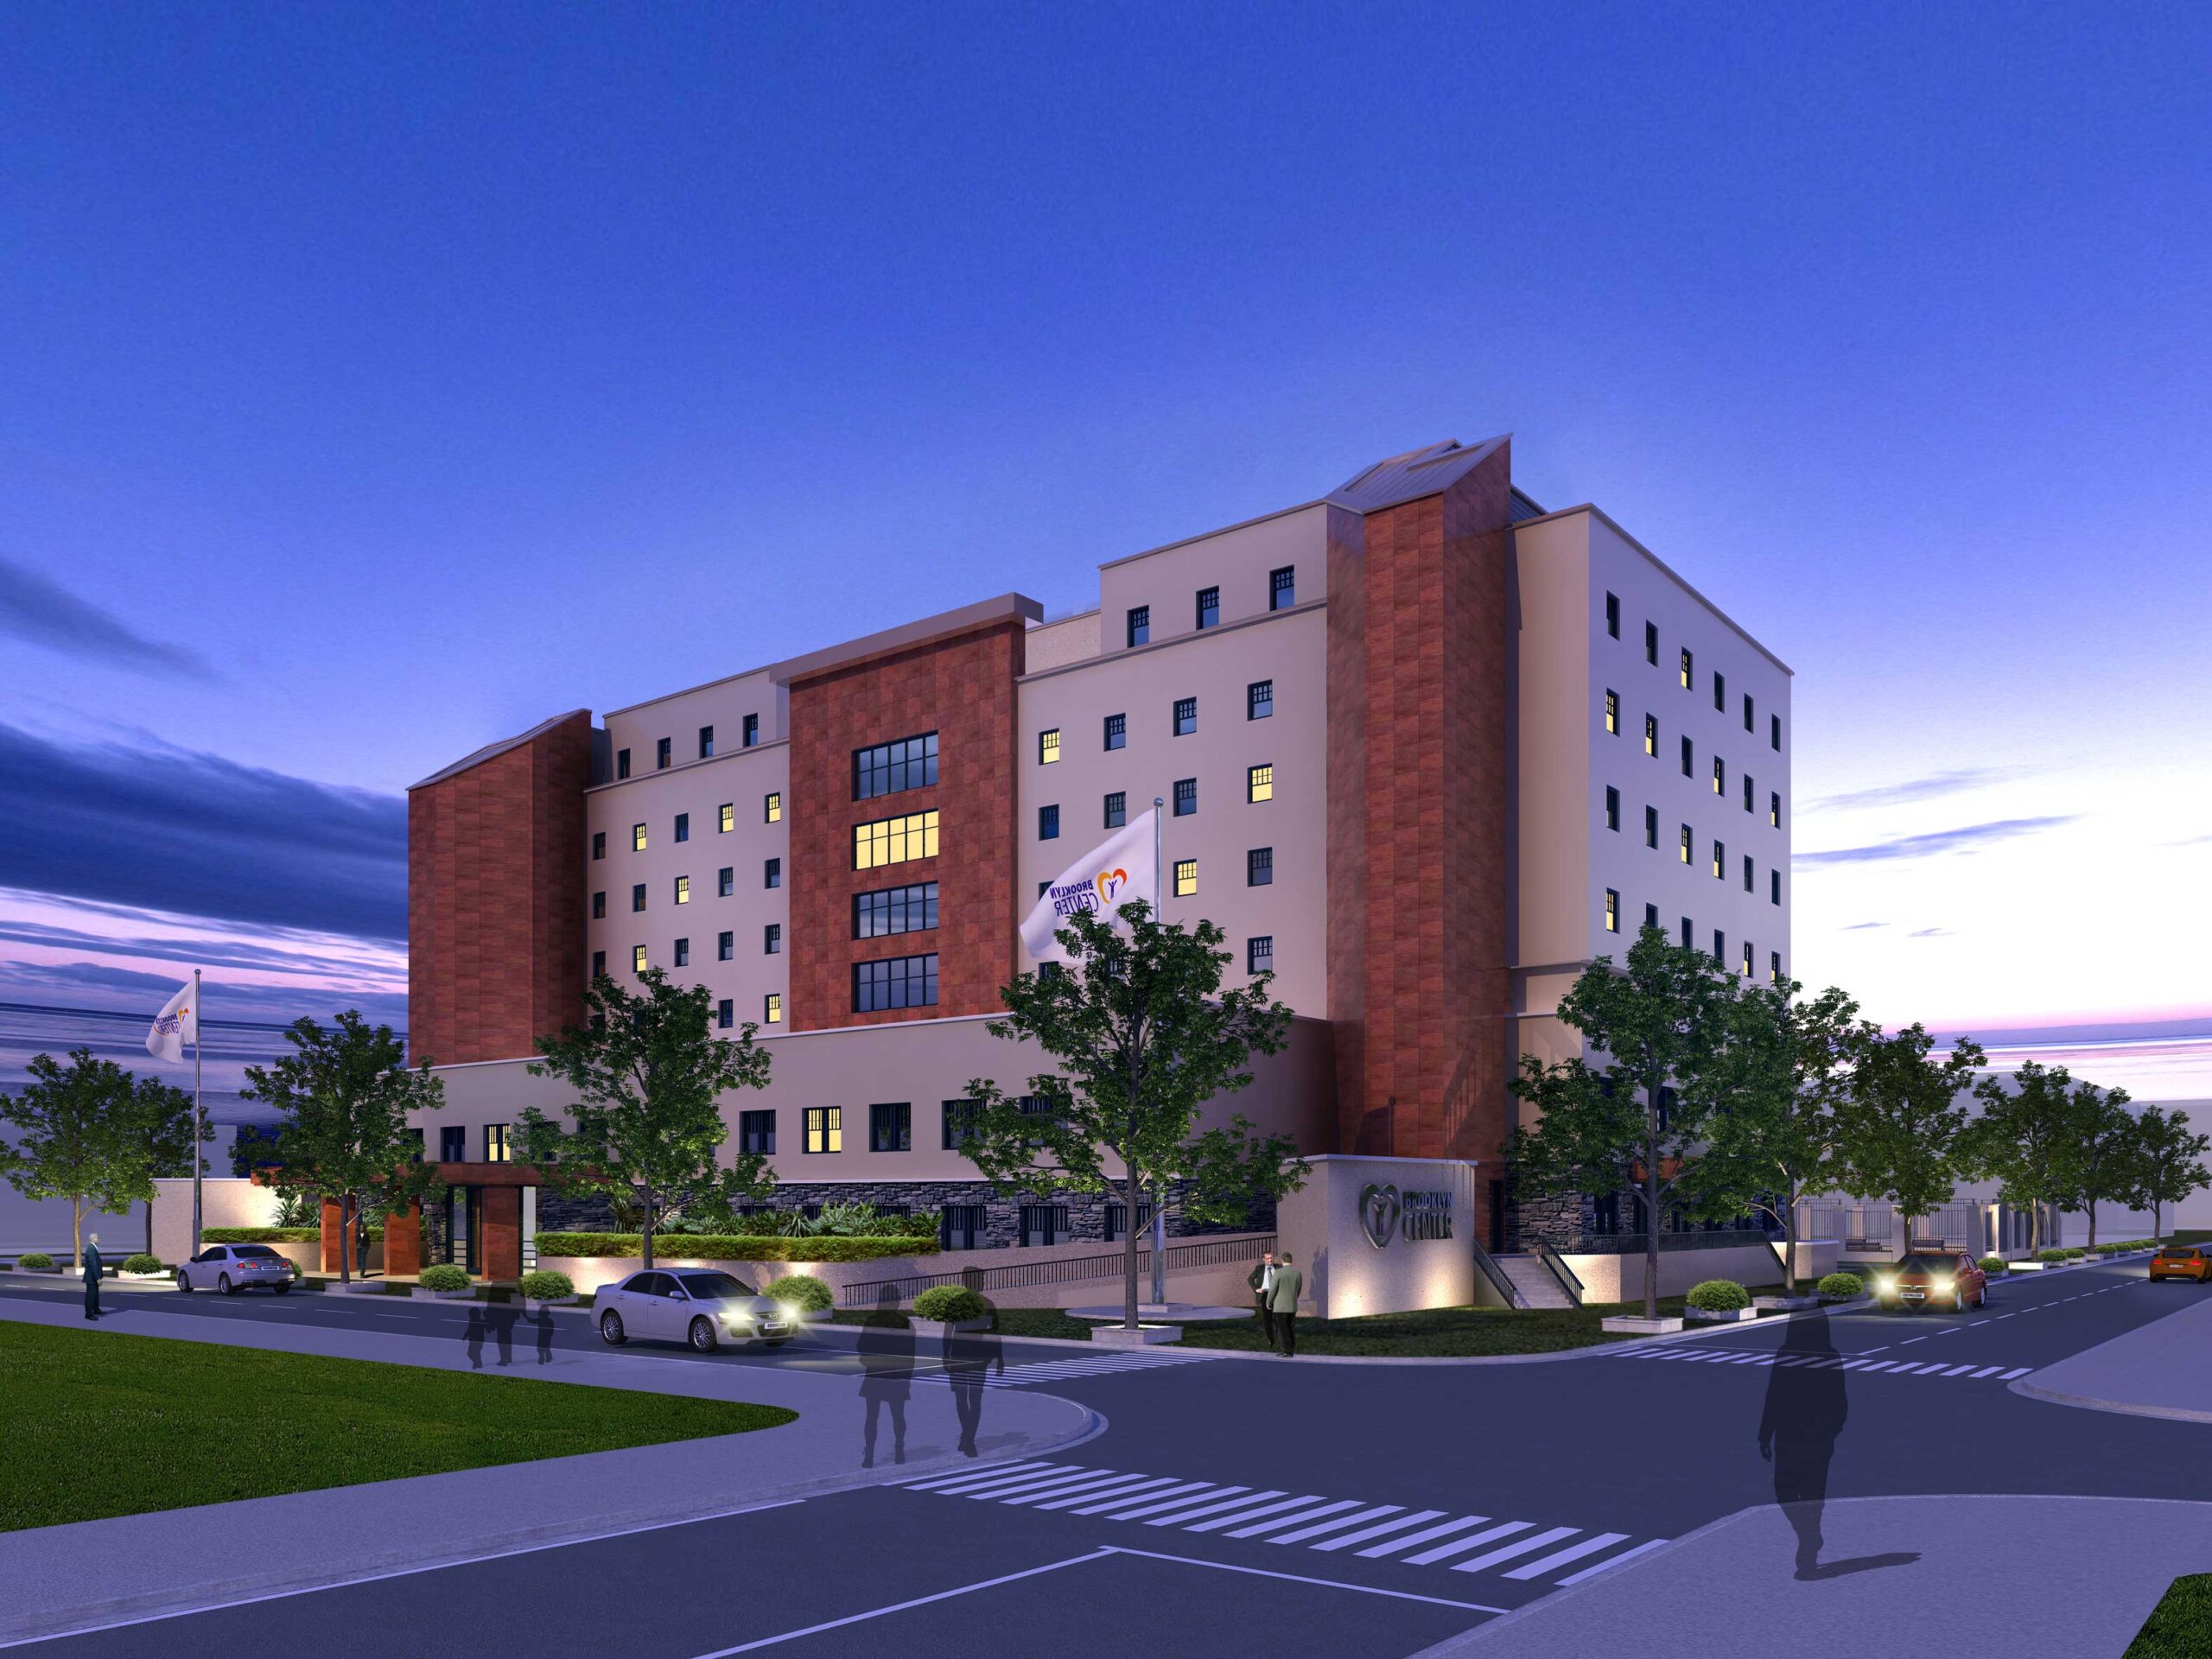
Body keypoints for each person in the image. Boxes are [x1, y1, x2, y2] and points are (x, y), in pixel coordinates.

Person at [1758, 1311, 1847, 1579]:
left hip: (1817, 1439)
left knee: (1811, 1496)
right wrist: (1765, 1434)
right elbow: (1773, 1394)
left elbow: (1840, 1401)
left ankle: (1808, 1553)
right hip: (1787, 1435)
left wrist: (1830, 1430)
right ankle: (1811, 1536)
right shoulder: (1785, 1353)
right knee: (1784, 1494)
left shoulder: (1829, 1355)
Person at [855, 1285, 914, 1467]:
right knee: (897, 1415)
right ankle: (898, 1449)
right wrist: (907, 1378)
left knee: (872, 1417)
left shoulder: (872, 1321)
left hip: (876, 1373)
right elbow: (910, 1354)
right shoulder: (905, 1323)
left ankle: (870, 1455)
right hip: (895, 1375)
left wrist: (869, 1360)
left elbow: (862, 1348)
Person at [944, 1321, 1004, 1457]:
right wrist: (945, 1356)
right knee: (964, 1398)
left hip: (975, 1358)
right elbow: (947, 1331)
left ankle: (968, 1438)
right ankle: (967, 1437)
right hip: (960, 1357)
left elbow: (995, 1333)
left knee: (972, 1399)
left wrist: (1000, 1359)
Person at [1268, 1250, 1303, 1357]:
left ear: (1282, 1260)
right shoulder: (1297, 1272)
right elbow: (1299, 1288)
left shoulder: (1278, 1272)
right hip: (1292, 1305)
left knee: (1282, 1329)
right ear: (1291, 1260)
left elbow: (1273, 1289)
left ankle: (1286, 1351)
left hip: (1280, 1306)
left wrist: (1269, 1302)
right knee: (1290, 1328)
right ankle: (1291, 1349)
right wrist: (1294, 1298)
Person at [1246, 1251, 1279, 1349]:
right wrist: (1256, 1289)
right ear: (1264, 1259)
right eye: (1268, 1258)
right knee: (1267, 1320)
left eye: (1271, 1258)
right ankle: (1271, 1340)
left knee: (1278, 1318)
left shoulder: (1278, 1267)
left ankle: (1280, 1339)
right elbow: (1250, 1279)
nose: (1270, 1260)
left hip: (1276, 1295)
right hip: (1264, 1294)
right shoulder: (1259, 1269)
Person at [82, 1231, 103, 1320]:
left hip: (93, 1277)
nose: (99, 1239)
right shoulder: (91, 1249)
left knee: (95, 1295)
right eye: (98, 1238)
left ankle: (96, 1309)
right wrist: (97, 1278)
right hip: (92, 1278)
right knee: (90, 1296)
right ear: (94, 1239)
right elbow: (93, 1264)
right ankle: (88, 1314)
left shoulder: (93, 1248)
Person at [464, 1303, 487, 1370]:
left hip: (477, 1340)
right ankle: (478, 1363)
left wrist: (465, 1336)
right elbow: (469, 1330)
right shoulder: (474, 1321)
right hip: (475, 1340)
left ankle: (477, 1363)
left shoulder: (478, 1322)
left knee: (472, 1353)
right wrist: (465, 1336)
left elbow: (469, 1330)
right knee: (475, 1353)